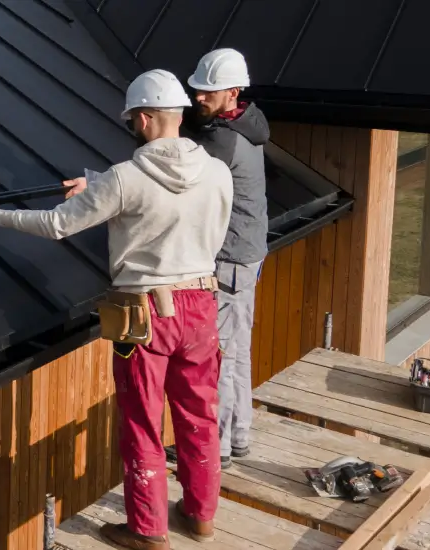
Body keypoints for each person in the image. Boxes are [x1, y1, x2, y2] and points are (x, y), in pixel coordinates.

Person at [0, 69, 232, 549]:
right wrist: (99, 186)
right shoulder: (217, 170)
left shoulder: (126, 180)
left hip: (145, 314)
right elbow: (180, 210)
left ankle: (148, 531)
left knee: (143, 421)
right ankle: (201, 516)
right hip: (203, 305)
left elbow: (59, 224)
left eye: (132, 119)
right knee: (199, 415)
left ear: (144, 118)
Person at [183, 48, 270, 469]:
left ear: (233, 92)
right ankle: (237, 437)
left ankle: (214, 450)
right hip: (246, 256)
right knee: (237, 350)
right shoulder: (247, 126)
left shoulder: (223, 141)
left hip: (231, 260)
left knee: (218, 355)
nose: (197, 97)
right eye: (196, 89)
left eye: (207, 91)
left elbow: (180, 175)